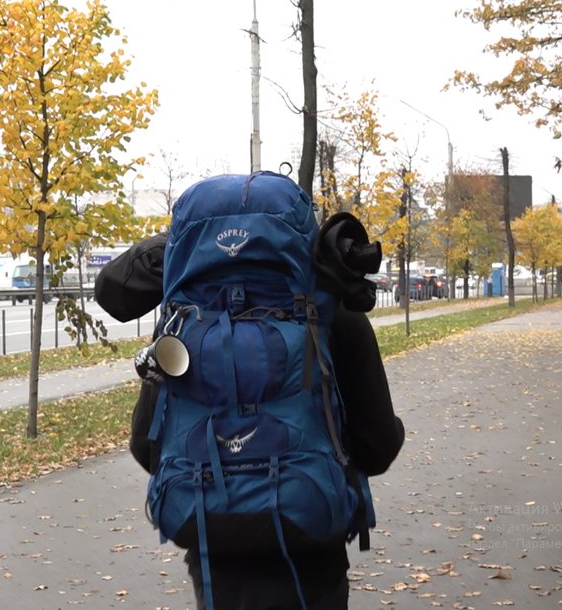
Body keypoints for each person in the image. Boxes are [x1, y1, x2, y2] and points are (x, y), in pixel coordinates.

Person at [94, 230, 405, 610]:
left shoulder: (186, 319)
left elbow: (146, 445)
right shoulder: (330, 310)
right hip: (312, 550)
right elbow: (378, 447)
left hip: (214, 554)